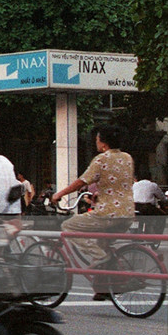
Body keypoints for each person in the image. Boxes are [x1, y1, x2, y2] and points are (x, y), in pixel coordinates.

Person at [51, 125, 134, 298]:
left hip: (107, 214)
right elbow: (118, 182)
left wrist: (59, 194)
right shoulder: (127, 157)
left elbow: (82, 181)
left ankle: (98, 257)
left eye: (97, 139)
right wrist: (99, 194)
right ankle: (104, 289)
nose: (96, 142)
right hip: (127, 213)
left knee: (69, 226)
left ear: (103, 143)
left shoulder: (101, 159)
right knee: (104, 244)